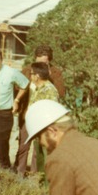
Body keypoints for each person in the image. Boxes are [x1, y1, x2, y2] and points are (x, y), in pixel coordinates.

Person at [14, 44, 65, 173]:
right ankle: (18, 175)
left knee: (38, 150)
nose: (41, 65)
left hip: (42, 120)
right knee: (23, 147)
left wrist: (47, 78)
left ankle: (34, 177)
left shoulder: (56, 73)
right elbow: (18, 88)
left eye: (44, 62)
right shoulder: (27, 70)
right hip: (26, 115)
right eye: (39, 61)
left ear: (49, 60)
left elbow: (61, 93)